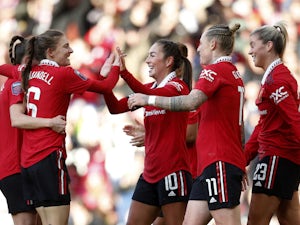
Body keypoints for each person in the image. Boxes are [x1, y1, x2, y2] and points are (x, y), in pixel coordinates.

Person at [128, 23, 247, 225]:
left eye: (201, 44)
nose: (198, 49)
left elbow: (190, 102)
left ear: (213, 45)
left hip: (218, 161)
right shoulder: (233, 74)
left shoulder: (214, 72)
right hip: (210, 165)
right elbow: (240, 127)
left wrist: (148, 99)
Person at [1, 29, 120, 225]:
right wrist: (116, 68)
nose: (71, 50)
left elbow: (4, 68)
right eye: (65, 46)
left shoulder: (24, 73)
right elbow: (106, 88)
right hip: (44, 157)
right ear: (49, 52)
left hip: (27, 164)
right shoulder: (58, 75)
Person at [103, 39, 193, 225]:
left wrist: (125, 73)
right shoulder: (150, 90)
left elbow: (146, 95)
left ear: (168, 61)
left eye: (152, 55)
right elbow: (115, 107)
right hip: (150, 174)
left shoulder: (178, 87)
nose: (147, 60)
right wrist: (105, 83)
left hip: (173, 172)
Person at [0, 35, 65, 225]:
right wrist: (50, 122)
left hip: (21, 166)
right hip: (14, 167)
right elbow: (16, 119)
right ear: (28, 61)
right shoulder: (16, 84)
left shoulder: (17, 83)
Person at [244, 21, 300, 225]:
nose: (249, 51)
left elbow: (294, 119)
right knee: (289, 219)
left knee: (255, 221)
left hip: (277, 158)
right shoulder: (274, 77)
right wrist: (246, 156)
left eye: (252, 44)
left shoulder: (277, 79)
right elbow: (264, 124)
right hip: (284, 158)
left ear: (268, 46)